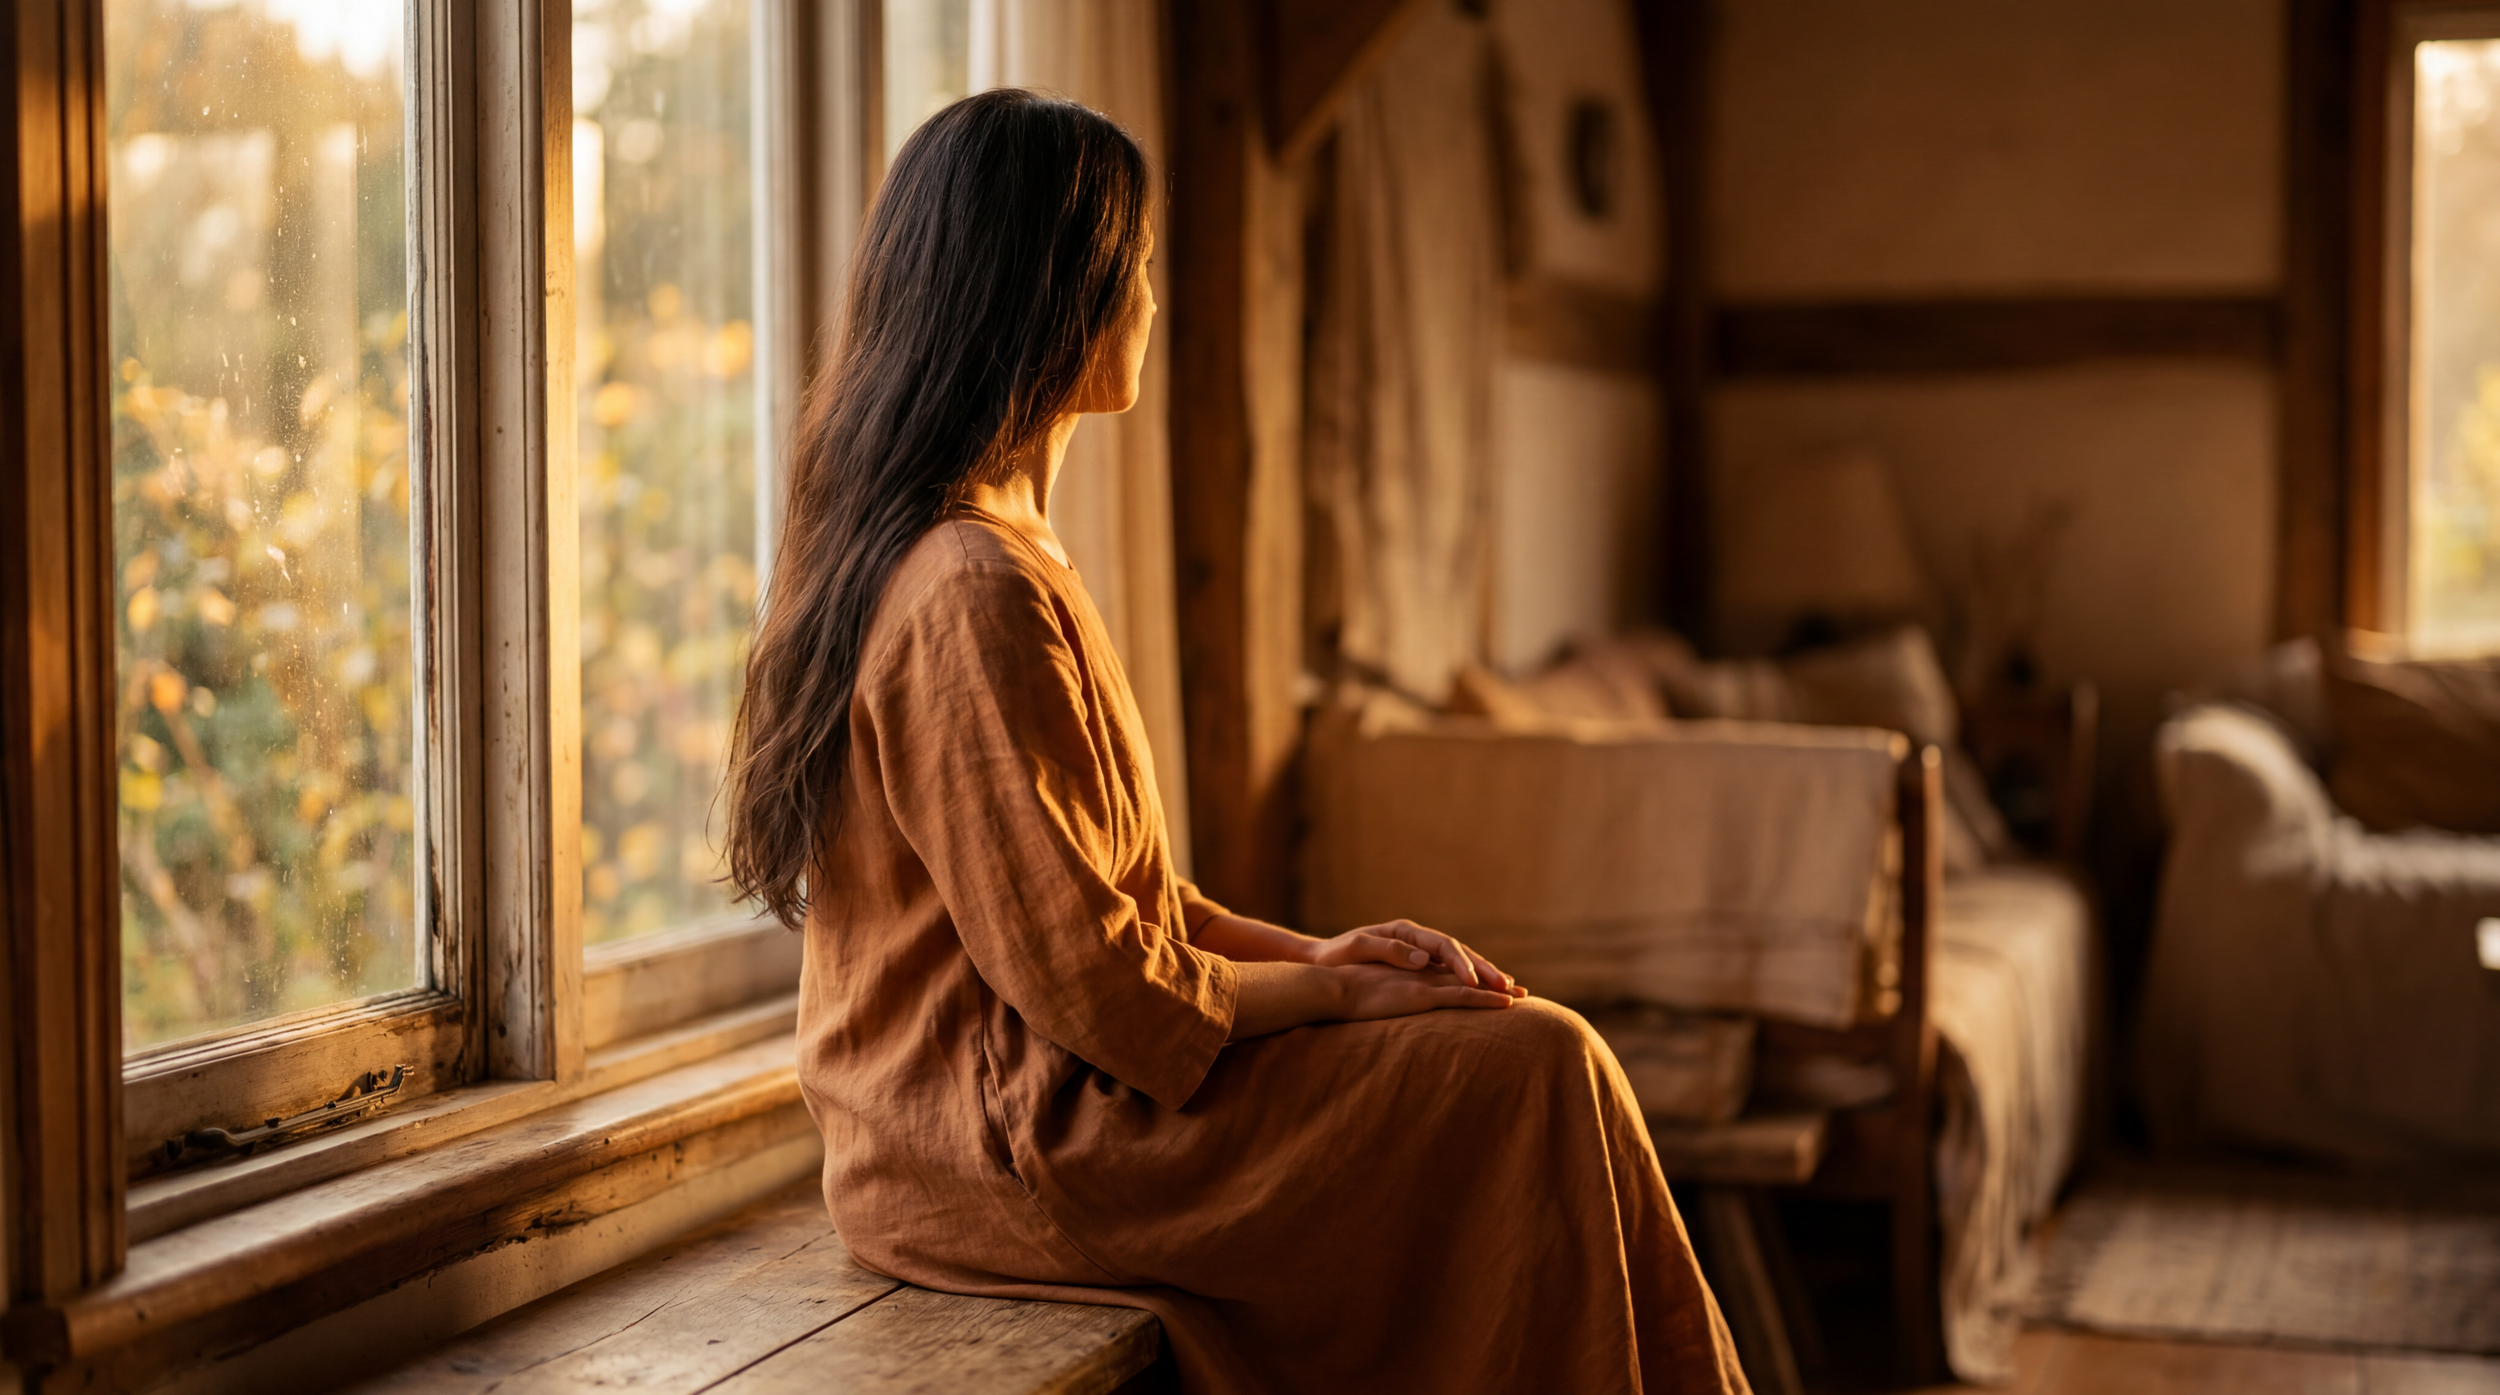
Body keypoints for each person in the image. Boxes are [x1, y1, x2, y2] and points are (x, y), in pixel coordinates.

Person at [723, 88, 1748, 1395]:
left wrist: (1327, 953)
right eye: (1136, 265)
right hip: (1004, 1147)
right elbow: (1094, 985)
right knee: (1535, 1067)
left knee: (1537, 1051)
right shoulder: (967, 583)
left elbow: (1137, 908)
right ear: (1059, 292)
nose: (1154, 296)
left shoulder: (1000, 556)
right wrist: (1337, 992)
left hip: (1032, 1112)